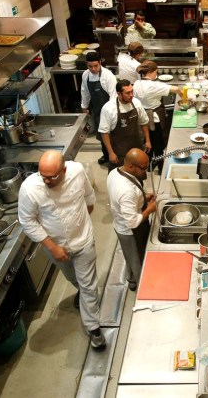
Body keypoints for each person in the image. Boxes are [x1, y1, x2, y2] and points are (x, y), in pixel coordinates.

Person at [17, 150, 106, 350]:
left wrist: (82, 221)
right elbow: (27, 221)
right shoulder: (30, 189)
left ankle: (94, 328)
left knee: (89, 285)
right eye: (43, 176)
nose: (47, 181)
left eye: (52, 177)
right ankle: (82, 292)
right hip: (55, 246)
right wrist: (52, 246)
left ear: (64, 170)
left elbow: (89, 196)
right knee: (72, 278)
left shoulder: (76, 171)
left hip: (83, 240)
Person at [107, 148, 157, 291]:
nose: (146, 172)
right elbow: (132, 222)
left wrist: (143, 197)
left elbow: (126, 200)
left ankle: (131, 279)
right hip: (130, 231)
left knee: (129, 256)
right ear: (131, 166)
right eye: (143, 168)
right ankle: (142, 286)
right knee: (137, 260)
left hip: (121, 223)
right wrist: (149, 209)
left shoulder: (115, 172)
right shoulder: (126, 190)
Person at [133, 60, 183, 173]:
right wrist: (184, 96)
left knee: (147, 141)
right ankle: (161, 168)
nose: (157, 74)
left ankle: (148, 165)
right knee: (159, 144)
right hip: (155, 118)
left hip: (142, 117)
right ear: (150, 72)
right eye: (156, 72)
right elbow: (175, 89)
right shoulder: (153, 85)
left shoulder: (136, 83)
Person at [99, 80, 152, 172]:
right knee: (119, 175)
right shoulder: (108, 109)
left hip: (136, 146)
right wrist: (110, 153)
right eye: (127, 93)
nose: (131, 95)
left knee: (138, 172)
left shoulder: (136, 103)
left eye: (132, 91)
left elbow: (144, 122)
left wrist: (147, 141)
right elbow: (104, 132)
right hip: (119, 150)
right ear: (119, 94)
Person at [81, 52, 117, 165]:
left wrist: (110, 113)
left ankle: (115, 156)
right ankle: (106, 156)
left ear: (100, 63)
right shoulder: (85, 75)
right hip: (97, 109)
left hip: (110, 109)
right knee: (102, 134)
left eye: (95, 66)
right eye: (90, 66)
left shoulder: (108, 75)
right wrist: (84, 106)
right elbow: (85, 92)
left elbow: (113, 95)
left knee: (112, 135)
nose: (93, 69)